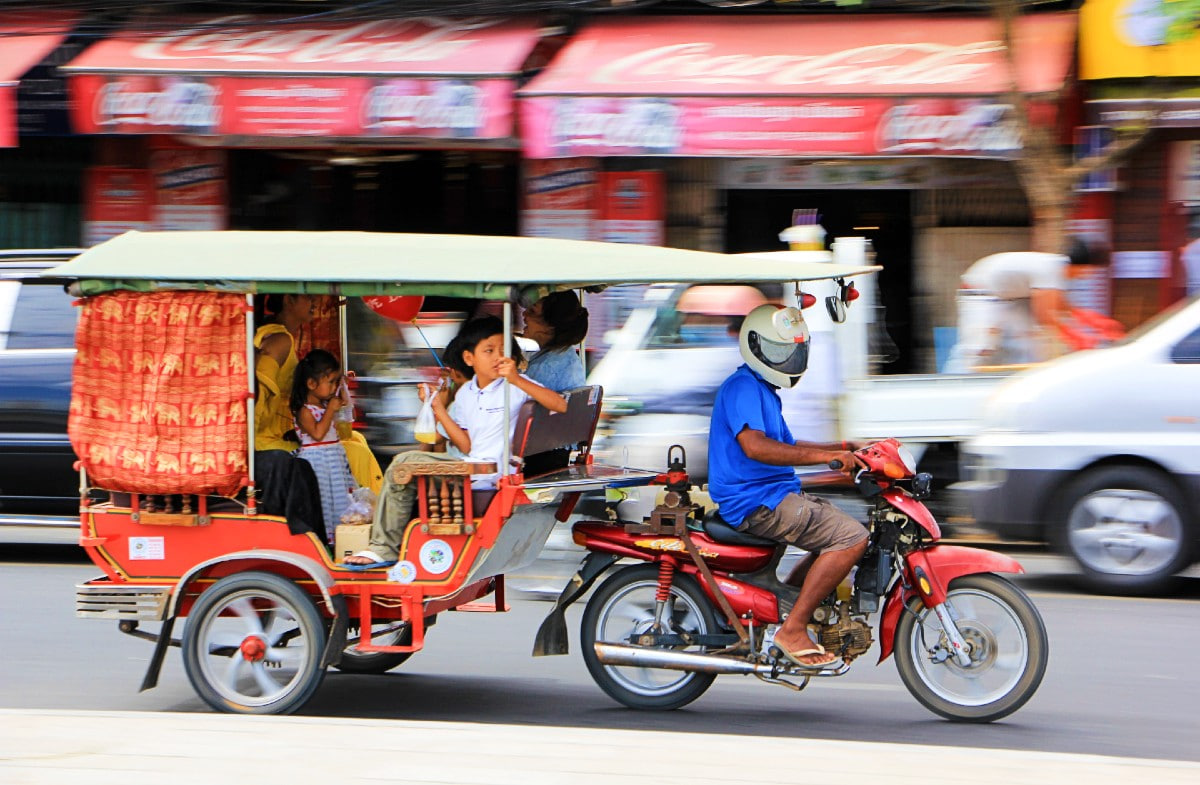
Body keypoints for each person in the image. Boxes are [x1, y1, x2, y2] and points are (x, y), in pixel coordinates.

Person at [708, 304, 868, 670]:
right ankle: (793, 629)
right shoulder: (743, 387)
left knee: (836, 533)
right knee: (851, 537)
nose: (787, 359)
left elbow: (791, 448)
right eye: (779, 350)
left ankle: (797, 610)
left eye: (792, 351)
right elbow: (757, 447)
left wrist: (845, 449)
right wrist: (826, 459)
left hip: (773, 495)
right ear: (755, 346)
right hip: (757, 501)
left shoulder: (761, 389)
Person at [343, 316, 567, 568]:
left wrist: (517, 379)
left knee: (401, 465)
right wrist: (438, 408)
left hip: (488, 473)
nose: (498, 357)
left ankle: (384, 548)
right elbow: (466, 446)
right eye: (489, 351)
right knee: (403, 467)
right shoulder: (466, 394)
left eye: (503, 351)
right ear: (469, 358)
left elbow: (560, 405)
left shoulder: (513, 387)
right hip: (469, 467)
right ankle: (395, 543)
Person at [255, 294, 383, 494]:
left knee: (357, 438)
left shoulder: (285, 337)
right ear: (288, 300)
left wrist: (332, 385)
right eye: (307, 297)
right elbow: (257, 393)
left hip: (283, 434)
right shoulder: (279, 340)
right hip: (267, 441)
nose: (315, 302)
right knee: (356, 452)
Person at [944, 248, 1101, 372]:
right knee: (979, 347)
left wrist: (1087, 320)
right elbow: (1044, 316)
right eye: (1083, 271)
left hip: (1008, 298)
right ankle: (953, 384)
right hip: (981, 292)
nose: (1083, 276)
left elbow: (1059, 304)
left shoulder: (1056, 269)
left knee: (1029, 347)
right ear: (1075, 265)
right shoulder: (1050, 269)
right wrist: (1077, 337)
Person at [290, 349, 358, 543]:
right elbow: (318, 434)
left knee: (340, 497)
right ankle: (326, 538)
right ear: (311, 384)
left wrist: (339, 393)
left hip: (333, 460)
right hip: (318, 463)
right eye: (331, 382)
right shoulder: (305, 411)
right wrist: (330, 410)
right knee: (325, 500)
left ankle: (342, 536)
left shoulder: (324, 405)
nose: (333, 387)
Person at [521, 290, 588, 392]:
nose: (524, 314)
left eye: (532, 311)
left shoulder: (545, 369)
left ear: (551, 326)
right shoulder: (564, 355)